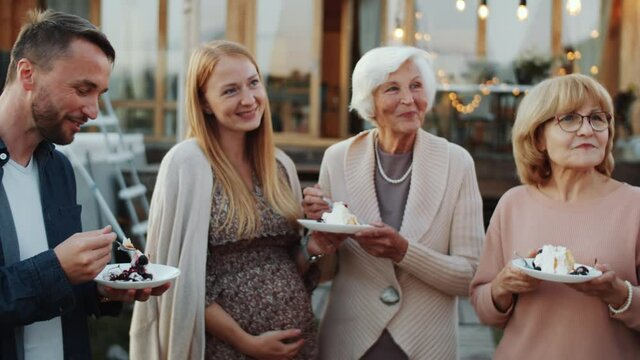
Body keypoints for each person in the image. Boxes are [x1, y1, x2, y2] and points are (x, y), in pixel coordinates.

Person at [130, 40, 318, 360]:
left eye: (253, 83)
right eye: (230, 91)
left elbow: (289, 263)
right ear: (204, 102)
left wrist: (316, 246)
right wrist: (246, 341)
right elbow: (177, 276)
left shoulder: (280, 165)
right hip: (224, 350)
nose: (248, 100)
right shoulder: (186, 163)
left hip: (297, 349)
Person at [0, 9, 168, 360]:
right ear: (27, 74)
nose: (93, 111)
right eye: (83, 89)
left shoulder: (58, 169)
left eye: (100, 94)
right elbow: (51, 273)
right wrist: (56, 268)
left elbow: (61, 290)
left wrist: (105, 290)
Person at [301, 46, 484, 359]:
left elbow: (471, 275)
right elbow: (327, 272)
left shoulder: (458, 162)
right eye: (392, 88)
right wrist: (320, 241)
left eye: (416, 86)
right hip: (349, 344)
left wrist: (404, 251)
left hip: (427, 346)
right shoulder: (337, 158)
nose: (408, 99)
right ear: (369, 102)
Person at [470, 74, 640, 359]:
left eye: (597, 118)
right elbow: (483, 309)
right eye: (570, 119)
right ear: (538, 138)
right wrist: (502, 287)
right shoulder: (513, 204)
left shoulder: (634, 205)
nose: (587, 130)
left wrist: (620, 294)